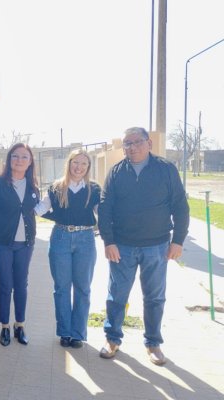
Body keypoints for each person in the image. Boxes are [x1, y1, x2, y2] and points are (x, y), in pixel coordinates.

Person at [98, 127, 189, 366]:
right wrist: (109, 242)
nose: (131, 147)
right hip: (122, 247)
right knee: (117, 295)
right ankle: (112, 339)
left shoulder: (166, 169)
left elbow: (180, 206)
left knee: (155, 297)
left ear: (149, 143)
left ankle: (153, 343)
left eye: (137, 142)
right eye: (127, 143)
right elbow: (105, 209)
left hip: (157, 247)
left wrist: (178, 240)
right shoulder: (116, 172)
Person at [35, 149, 101, 349]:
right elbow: (39, 209)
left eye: (83, 164)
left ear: (88, 167)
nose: (79, 167)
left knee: (83, 288)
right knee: (62, 288)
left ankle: (78, 334)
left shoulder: (94, 189)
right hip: (61, 238)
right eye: (75, 162)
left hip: (86, 239)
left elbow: (103, 212)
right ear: (69, 163)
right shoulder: (56, 188)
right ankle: (64, 332)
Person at [0, 143, 40, 346]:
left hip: (25, 243)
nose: (19, 160)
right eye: (15, 156)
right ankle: (4, 326)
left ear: (30, 162)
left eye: (24, 157)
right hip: (0, 242)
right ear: (9, 160)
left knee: (21, 284)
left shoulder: (32, 186)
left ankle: (19, 325)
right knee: (5, 284)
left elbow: (35, 211)